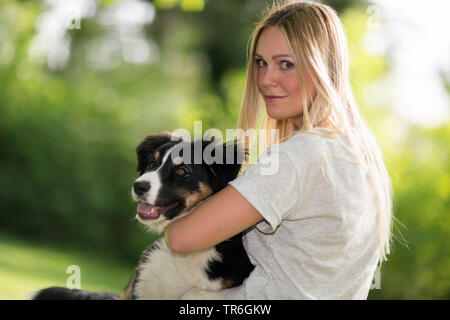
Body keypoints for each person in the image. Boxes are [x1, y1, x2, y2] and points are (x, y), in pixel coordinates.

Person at [164, 1, 393, 299]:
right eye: (261, 62)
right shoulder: (358, 153)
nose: (266, 79)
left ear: (323, 67)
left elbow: (181, 238)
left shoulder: (301, 156)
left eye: (286, 64)